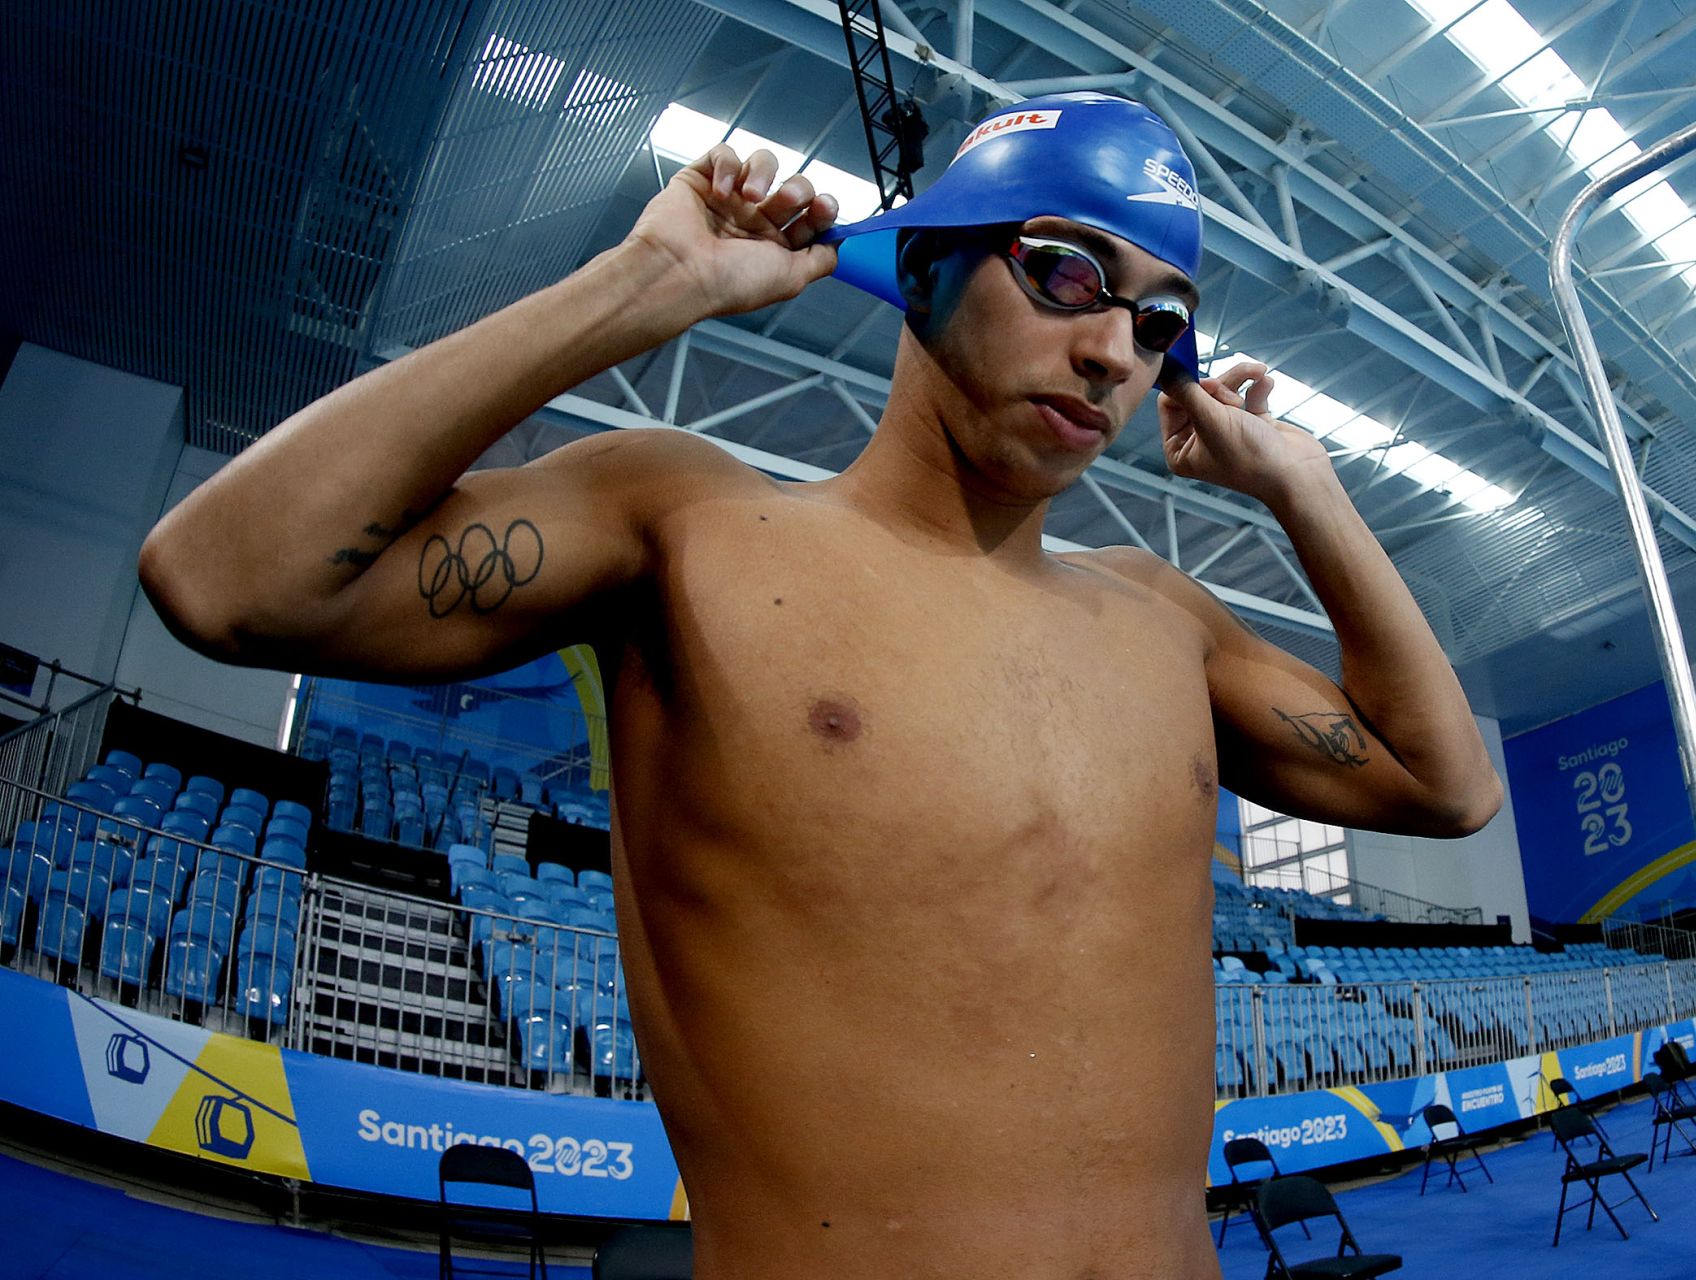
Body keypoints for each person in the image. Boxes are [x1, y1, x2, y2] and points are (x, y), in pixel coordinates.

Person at [138, 93, 1501, 1279]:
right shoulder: (687, 527)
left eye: (1158, 325)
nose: (1110, 355)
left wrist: (1304, 487)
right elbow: (225, 579)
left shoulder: (1165, 624)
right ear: (922, 272)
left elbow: (1449, 787)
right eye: (1066, 274)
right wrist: (638, 288)